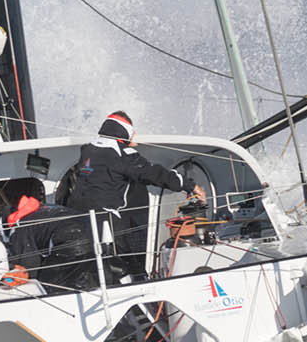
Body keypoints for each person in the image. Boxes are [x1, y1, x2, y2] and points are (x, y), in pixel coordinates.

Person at [64, 110, 203, 278]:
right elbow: (154, 173)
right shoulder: (122, 153)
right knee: (127, 268)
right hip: (105, 222)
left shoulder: (88, 149)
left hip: (74, 218)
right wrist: (190, 185)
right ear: (125, 132)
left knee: (85, 266)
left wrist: (126, 143)